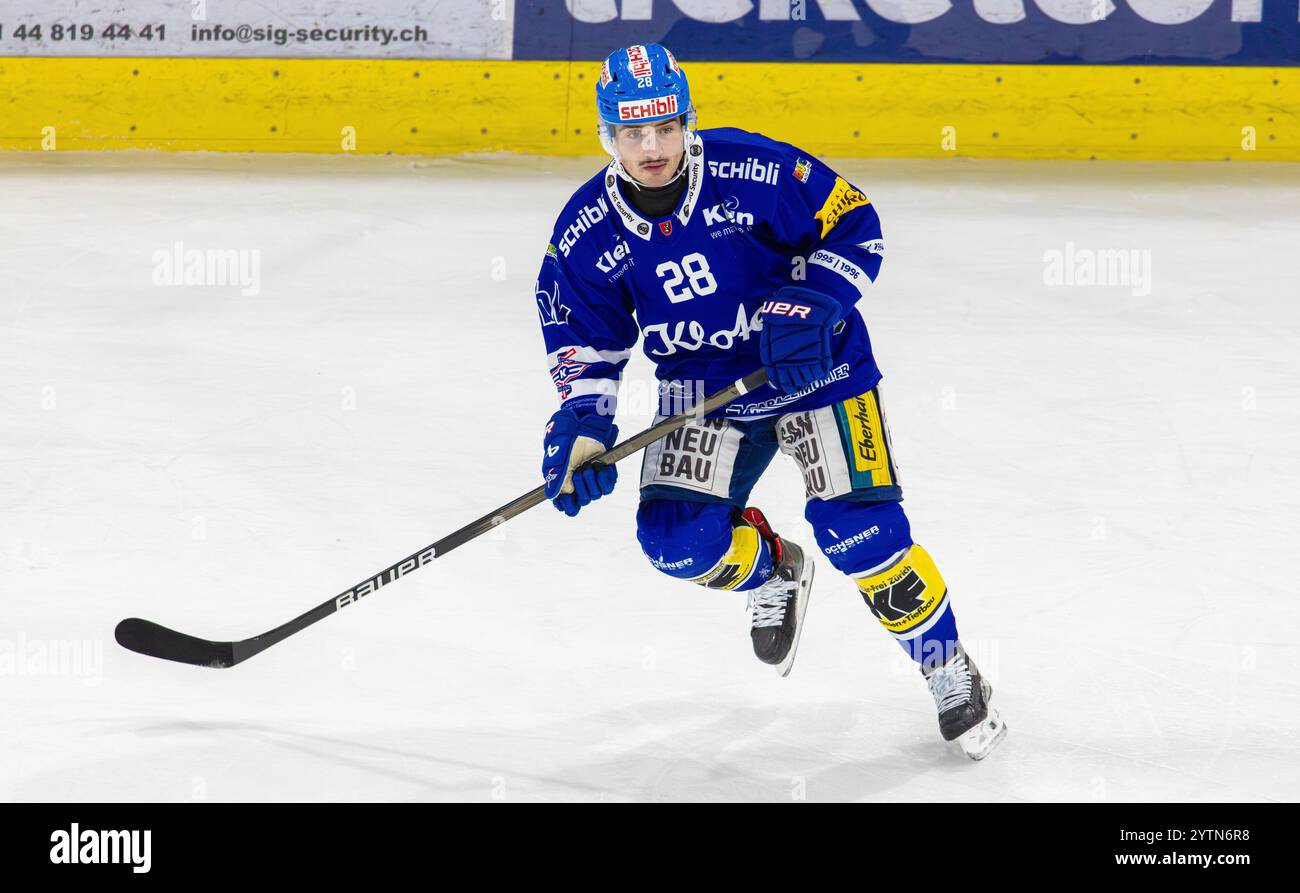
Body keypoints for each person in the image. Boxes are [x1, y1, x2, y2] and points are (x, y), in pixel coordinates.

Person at [533, 44, 1006, 760]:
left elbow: (856, 222)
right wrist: (584, 425)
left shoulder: (754, 171)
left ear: (687, 122)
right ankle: (776, 566)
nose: (652, 147)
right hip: (702, 389)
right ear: (608, 138)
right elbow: (587, 343)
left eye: (664, 127)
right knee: (674, 541)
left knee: (860, 530)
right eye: (633, 133)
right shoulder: (585, 231)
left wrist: (817, 299)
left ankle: (947, 664)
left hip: (819, 369)